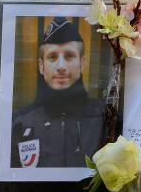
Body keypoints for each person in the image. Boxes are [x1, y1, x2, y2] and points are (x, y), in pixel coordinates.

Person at [11, 17, 106, 168]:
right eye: (52, 57)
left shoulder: (105, 119)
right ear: (41, 66)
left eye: (69, 56)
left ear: (82, 63)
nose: (61, 66)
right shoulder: (19, 124)